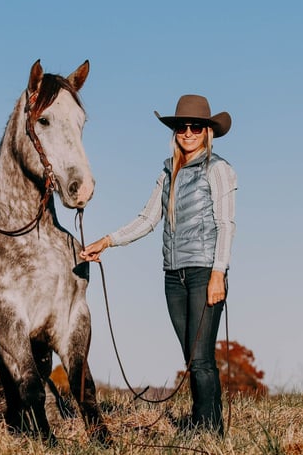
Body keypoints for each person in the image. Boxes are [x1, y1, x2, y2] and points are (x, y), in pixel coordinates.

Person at [80, 94, 237, 437]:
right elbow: (148, 219)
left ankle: (209, 431)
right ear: (176, 131)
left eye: (196, 127)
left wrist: (218, 274)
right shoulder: (168, 172)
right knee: (191, 358)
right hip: (173, 276)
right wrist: (107, 241)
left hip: (203, 272)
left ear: (207, 132)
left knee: (201, 359)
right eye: (183, 127)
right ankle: (201, 422)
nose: (189, 132)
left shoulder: (218, 169)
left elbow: (226, 224)